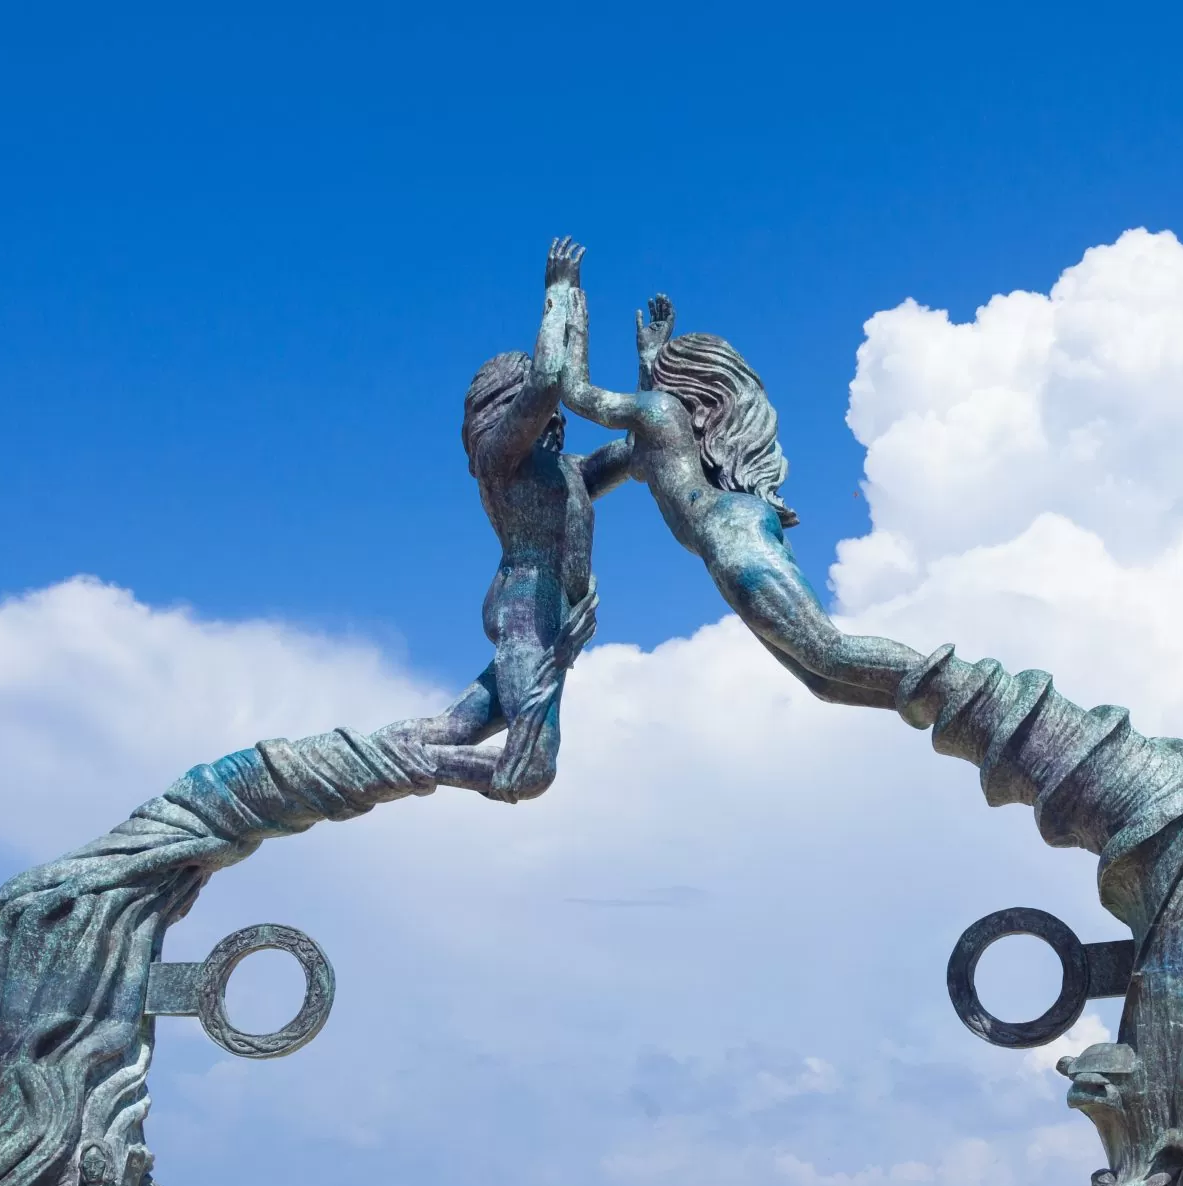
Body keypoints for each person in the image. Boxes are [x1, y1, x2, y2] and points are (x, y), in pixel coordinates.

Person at [553, 253, 924, 711]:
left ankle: (963, 688)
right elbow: (637, 446)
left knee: (826, 649)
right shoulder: (666, 430)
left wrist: (565, 296)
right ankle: (939, 707)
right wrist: (648, 359)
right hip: (737, 526)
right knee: (822, 681)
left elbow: (576, 393)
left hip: (726, 532)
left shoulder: (661, 413)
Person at [376, 239, 633, 802]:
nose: (552, 414)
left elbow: (632, 451)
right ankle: (397, 765)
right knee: (531, 767)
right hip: (525, 612)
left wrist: (653, 381)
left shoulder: (565, 472)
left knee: (454, 728)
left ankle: (373, 753)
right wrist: (559, 293)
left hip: (549, 616)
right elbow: (549, 380)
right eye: (534, 406)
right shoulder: (501, 461)